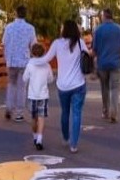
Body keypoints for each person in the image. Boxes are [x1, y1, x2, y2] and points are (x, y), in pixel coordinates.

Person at [27, 19, 90, 153]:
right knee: (77, 113)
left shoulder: (57, 44)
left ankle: (66, 137)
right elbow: (88, 56)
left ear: (64, 30)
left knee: (65, 112)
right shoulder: (80, 43)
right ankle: (74, 144)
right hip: (78, 83)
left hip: (63, 85)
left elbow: (46, 59)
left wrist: (32, 62)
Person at [92, 8, 120, 123]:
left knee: (104, 88)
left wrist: (93, 64)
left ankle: (105, 111)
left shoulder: (98, 30)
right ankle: (114, 111)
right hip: (116, 63)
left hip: (102, 64)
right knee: (115, 89)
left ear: (104, 16)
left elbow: (95, 50)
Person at [1, 5, 37, 122]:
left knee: (11, 84)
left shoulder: (9, 27)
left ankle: (9, 107)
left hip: (11, 60)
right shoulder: (30, 28)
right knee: (22, 87)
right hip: (24, 61)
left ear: (16, 13)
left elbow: (4, 43)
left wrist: (6, 58)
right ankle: (19, 113)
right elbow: (34, 46)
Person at [22, 43, 54, 151]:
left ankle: (35, 136)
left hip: (32, 95)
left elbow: (24, 78)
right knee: (41, 118)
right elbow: (50, 79)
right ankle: (40, 139)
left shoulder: (30, 65)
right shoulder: (47, 65)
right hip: (43, 95)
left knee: (33, 118)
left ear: (32, 53)